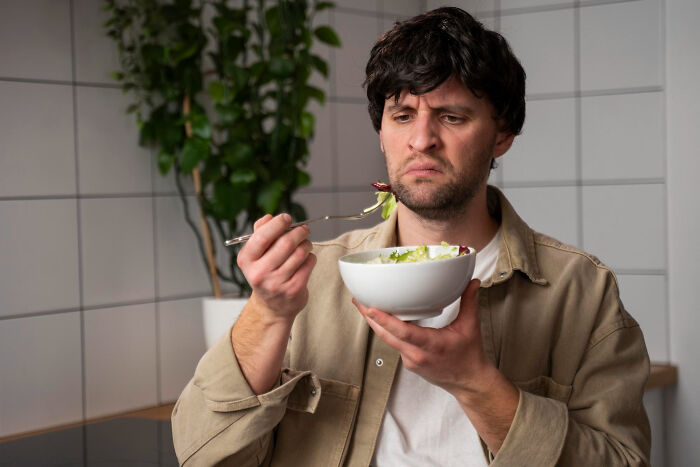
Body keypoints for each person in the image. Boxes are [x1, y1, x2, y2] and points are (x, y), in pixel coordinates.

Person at [171, 7, 650, 466]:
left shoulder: (582, 291)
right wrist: (268, 312)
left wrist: (474, 383)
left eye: (451, 117)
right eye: (402, 116)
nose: (421, 140)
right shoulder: (307, 281)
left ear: (501, 135)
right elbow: (203, 454)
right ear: (381, 132)